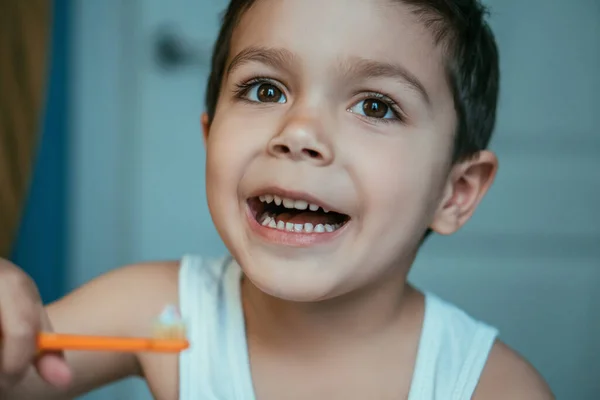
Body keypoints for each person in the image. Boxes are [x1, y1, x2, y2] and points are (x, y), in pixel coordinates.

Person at [0, 0, 555, 398]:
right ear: (209, 136)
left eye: (376, 106)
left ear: (455, 193)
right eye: (266, 89)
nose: (300, 131)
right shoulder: (159, 308)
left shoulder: (491, 386)